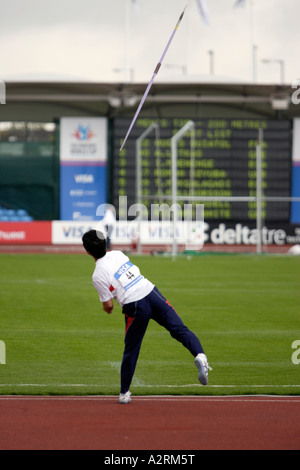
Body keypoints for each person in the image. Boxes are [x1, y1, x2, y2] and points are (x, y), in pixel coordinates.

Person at [82, 229, 210, 404]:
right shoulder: (118, 254)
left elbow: (109, 306)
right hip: (151, 292)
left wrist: (108, 306)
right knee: (178, 328)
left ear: (87, 251)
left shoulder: (97, 275)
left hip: (135, 305)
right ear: (105, 243)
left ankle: (124, 393)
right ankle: (200, 355)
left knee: (131, 348)